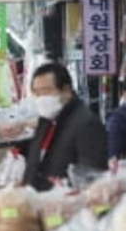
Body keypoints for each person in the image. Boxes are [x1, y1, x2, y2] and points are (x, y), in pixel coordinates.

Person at [22, 62, 108, 191]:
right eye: (37, 93)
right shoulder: (46, 120)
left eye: (46, 91)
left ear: (66, 90)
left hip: (67, 203)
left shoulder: (86, 123)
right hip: (40, 202)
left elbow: (92, 174)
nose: (41, 99)